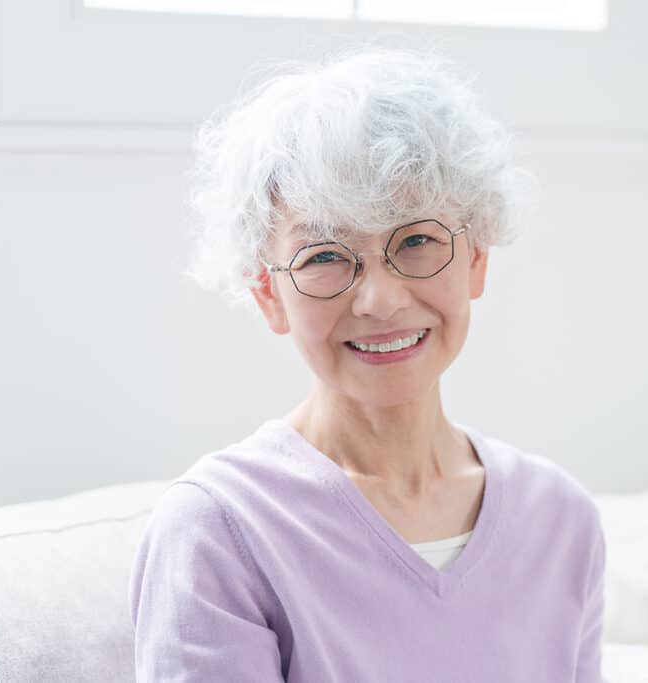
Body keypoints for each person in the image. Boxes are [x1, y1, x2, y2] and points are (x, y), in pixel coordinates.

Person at [128, 45, 606, 682]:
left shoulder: (559, 519)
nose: (380, 301)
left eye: (415, 241)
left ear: (477, 261)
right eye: (324, 256)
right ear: (268, 293)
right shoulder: (219, 529)